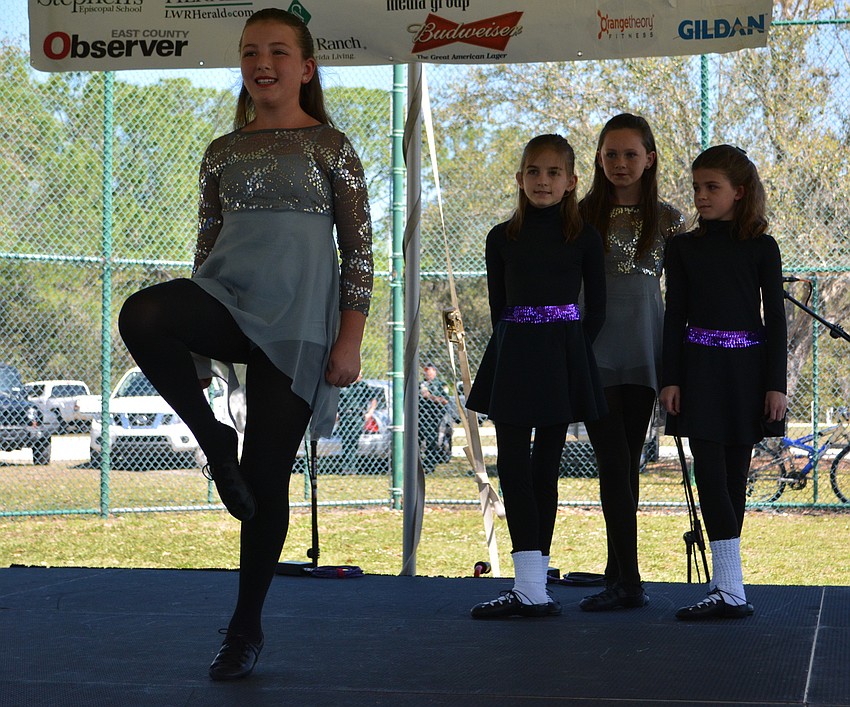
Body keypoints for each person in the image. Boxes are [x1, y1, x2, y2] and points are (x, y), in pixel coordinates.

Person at [117, 8, 373, 679]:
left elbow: (360, 253)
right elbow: (206, 247)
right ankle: (212, 438)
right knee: (142, 314)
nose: (264, 63)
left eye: (280, 52)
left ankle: (244, 627)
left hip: (298, 327)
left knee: (265, 480)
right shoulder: (223, 151)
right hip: (229, 303)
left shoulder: (332, 146)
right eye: (252, 52)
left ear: (306, 68)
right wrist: (196, 348)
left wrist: (349, 341)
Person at [465, 134, 607, 618]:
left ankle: (533, 589)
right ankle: (527, 586)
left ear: (571, 182)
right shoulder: (500, 238)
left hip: (560, 362)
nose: (541, 181)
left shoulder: (585, 237)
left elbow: (598, 311)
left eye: (552, 173)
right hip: (514, 359)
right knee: (513, 468)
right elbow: (500, 306)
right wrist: (528, 341)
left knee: (546, 467)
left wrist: (568, 353)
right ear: (520, 178)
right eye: (532, 172)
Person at [659, 144, 786, 620]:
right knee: (709, 472)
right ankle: (731, 588)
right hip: (700, 375)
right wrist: (672, 378)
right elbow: (676, 316)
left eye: (712, 187)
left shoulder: (761, 247)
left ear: (740, 191)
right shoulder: (683, 247)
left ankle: (727, 587)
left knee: (734, 480)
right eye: (696, 187)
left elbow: (774, 318)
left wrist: (776, 384)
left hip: (747, 377)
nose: (701, 196)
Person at [576, 113, 686, 611]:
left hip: (644, 351)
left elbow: (680, 294)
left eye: (630, 154)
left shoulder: (668, 220)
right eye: (611, 154)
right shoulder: (579, 216)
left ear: (650, 158)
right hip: (596, 351)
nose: (620, 164)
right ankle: (628, 578)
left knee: (624, 466)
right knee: (613, 463)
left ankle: (621, 572)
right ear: (599, 159)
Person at [337, 372, 379, 473]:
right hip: (345, 416)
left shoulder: (363, 386)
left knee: (353, 441)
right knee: (345, 441)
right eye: (359, 374)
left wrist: (370, 413)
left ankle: (352, 468)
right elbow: (336, 400)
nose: (360, 376)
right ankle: (345, 468)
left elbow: (373, 400)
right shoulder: (344, 385)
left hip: (357, 416)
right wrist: (336, 413)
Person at [418, 362, 450, 473]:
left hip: (434, 417)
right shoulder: (420, 384)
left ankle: (430, 465)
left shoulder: (441, 385)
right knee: (416, 441)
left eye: (429, 371)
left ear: (434, 372)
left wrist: (429, 396)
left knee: (432, 441)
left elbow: (445, 400)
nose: (427, 374)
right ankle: (418, 465)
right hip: (420, 416)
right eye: (425, 372)